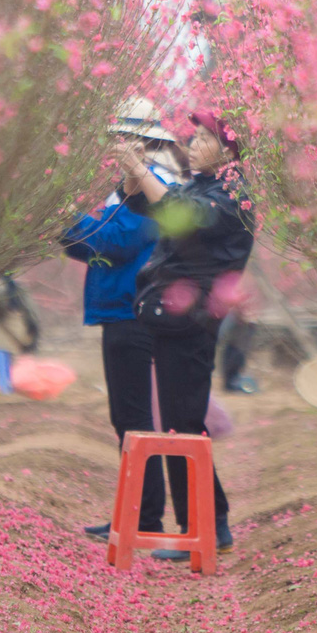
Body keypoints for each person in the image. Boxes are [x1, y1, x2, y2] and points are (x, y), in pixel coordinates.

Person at [121, 110, 255, 561]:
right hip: (172, 318)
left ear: (229, 150)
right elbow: (156, 204)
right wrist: (134, 175)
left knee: (183, 424)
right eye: (194, 136)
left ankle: (203, 525)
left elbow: (181, 214)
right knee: (182, 423)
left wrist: (143, 170)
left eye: (203, 138)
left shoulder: (233, 195)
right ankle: (210, 522)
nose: (192, 143)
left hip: (193, 323)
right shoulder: (202, 185)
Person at [61, 98, 184, 542]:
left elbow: (110, 242)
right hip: (118, 313)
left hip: (133, 315)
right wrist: (67, 229)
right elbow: (93, 245)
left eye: (125, 141)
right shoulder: (128, 193)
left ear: (145, 144)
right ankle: (139, 514)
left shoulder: (156, 195)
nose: (117, 149)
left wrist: (62, 216)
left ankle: (143, 518)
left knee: (133, 419)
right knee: (126, 418)